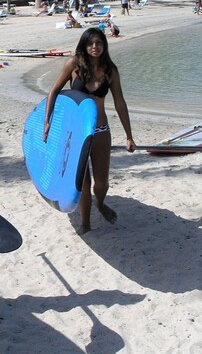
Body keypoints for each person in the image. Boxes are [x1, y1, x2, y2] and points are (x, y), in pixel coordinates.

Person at [44, 27, 136, 234]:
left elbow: (120, 102)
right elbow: (54, 91)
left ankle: (100, 203)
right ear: (84, 46)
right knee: (83, 183)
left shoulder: (110, 70)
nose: (95, 47)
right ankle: (85, 223)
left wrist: (129, 135)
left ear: (104, 46)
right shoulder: (73, 65)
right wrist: (47, 122)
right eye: (91, 43)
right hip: (75, 134)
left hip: (100, 130)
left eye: (99, 43)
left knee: (102, 182)